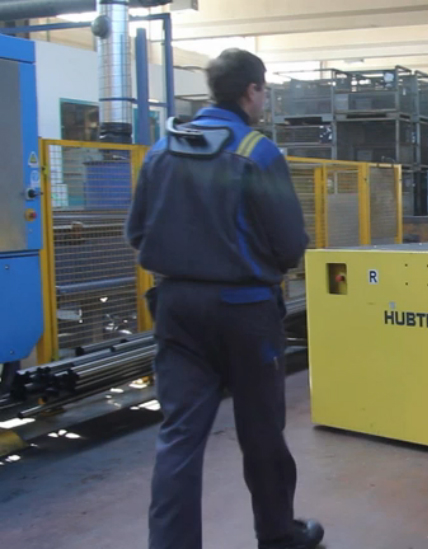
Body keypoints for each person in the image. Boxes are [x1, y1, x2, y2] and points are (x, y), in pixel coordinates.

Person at [126, 48, 324, 549]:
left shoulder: (160, 151)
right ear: (251, 91)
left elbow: (137, 233)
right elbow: (288, 244)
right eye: (264, 90)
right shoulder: (258, 152)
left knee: (179, 435)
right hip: (245, 312)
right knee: (261, 431)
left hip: (177, 310)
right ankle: (277, 536)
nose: (264, 99)